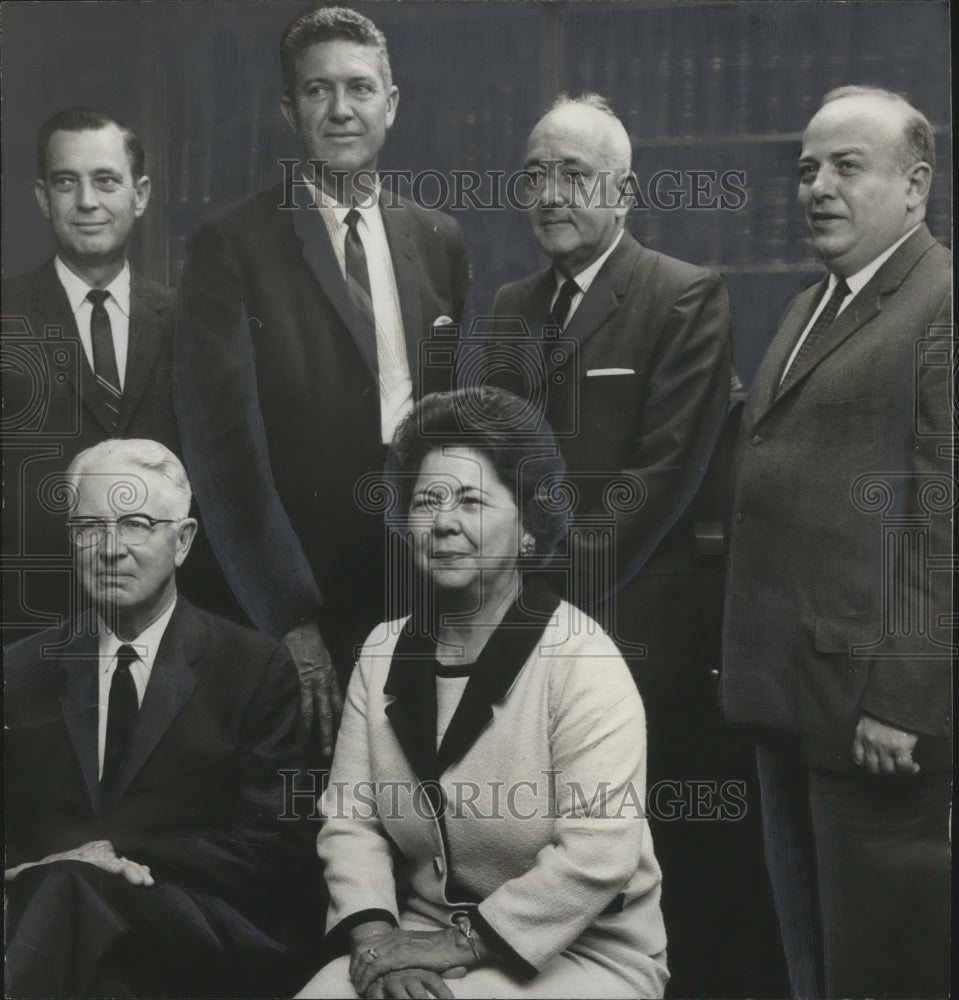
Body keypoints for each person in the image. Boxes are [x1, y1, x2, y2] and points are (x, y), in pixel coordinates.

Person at [488, 94, 784, 997]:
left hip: (637, 629)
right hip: (528, 627)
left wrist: (539, 594)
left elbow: (661, 477)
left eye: (574, 175)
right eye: (535, 175)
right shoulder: (507, 308)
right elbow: (497, 467)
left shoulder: (683, 293)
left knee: (659, 862)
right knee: (545, 847)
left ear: (623, 190)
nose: (550, 194)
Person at [296, 387, 668, 1000]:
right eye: (427, 501)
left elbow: (600, 850)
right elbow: (350, 823)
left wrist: (455, 947)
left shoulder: (580, 658)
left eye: (471, 500)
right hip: (415, 935)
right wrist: (376, 944)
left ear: (528, 526)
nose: (443, 521)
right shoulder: (383, 650)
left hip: (580, 950)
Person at [175, 5, 471, 753]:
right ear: (288, 108)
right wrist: (289, 618)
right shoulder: (230, 247)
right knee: (304, 822)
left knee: (418, 804)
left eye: (359, 88)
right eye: (316, 91)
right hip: (298, 596)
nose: (341, 110)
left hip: (419, 585)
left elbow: (449, 429)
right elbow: (224, 457)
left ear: (391, 104)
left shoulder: (438, 239)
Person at [721, 85, 952, 999]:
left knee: (879, 974)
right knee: (813, 968)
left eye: (847, 167)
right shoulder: (816, 300)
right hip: (789, 704)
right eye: (808, 168)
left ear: (915, 185)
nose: (817, 186)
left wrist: (903, 696)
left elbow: (949, 516)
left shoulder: (941, 300)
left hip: (874, 720)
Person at [4, 439, 312, 998]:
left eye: (137, 524)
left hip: (201, 933)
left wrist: (112, 857)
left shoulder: (252, 666)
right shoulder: (21, 670)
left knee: (74, 885)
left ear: (183, 540)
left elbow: (274, 848)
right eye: (89, 527)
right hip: (58, 933)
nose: (110, 548)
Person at [1, 107, 179, 644]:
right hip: (28, 623)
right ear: (41, 197)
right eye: (65, 182)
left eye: (105, 180)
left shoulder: (188, 320)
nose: (86, 202)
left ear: (140, 194)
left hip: (162, 625)